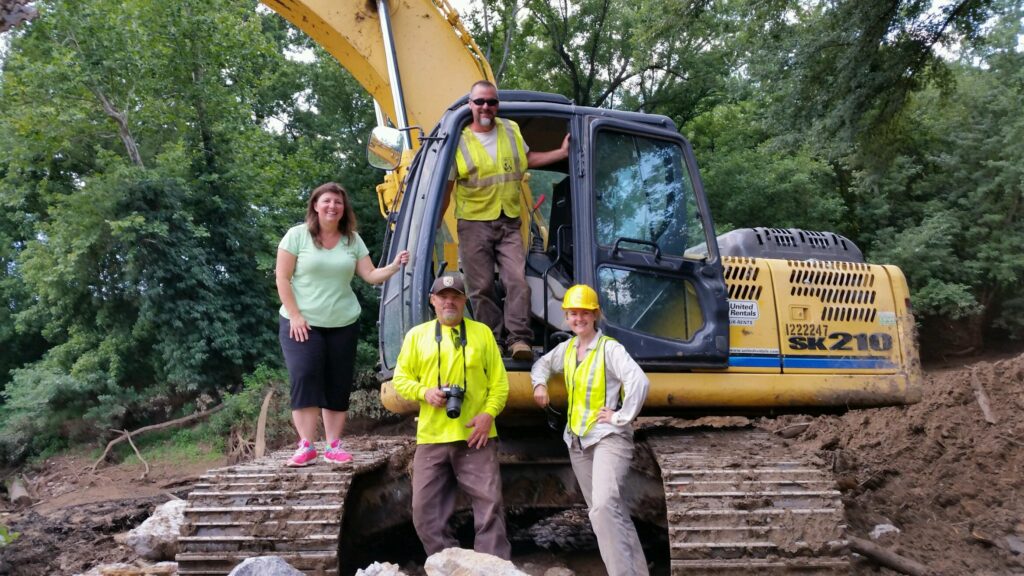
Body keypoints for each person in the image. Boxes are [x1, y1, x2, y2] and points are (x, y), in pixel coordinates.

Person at [276, 182, 409, 467]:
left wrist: (396, 265)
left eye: (338, 202)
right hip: (302, 323)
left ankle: (334, 446)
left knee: (337, 384)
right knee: (305, 375)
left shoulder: (352, 240)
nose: (332, 207)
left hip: (343, 323)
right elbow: (282, 278)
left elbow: (371, 275)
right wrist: (296, 315)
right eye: (327, 201)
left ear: (343, 209)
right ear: (315, 205)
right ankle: (306, 445)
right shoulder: (296, 236)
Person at [444, 80, 570, 361]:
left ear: (497, 105)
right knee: (481, 286)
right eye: (479, 102)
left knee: (517, 281)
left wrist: (560, 154)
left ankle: (518, 340)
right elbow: (447, 189)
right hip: (473, 223)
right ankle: (493, 340)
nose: (486, 107)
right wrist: (432, 228)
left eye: (491, 101)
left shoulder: (511, 130)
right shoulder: (459, 140)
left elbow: (529, 159)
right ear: (470, 105)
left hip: (509, 219)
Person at [531, 284, 650, 576]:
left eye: (584, 313)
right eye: (573, 313)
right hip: (578, 443)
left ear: (595, 315)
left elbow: (639, 382)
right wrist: (540, 383)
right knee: (610, 513)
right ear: (567, 317)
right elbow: (541, 365)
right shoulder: (568, 349)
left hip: (609, 438)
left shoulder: (609, 348)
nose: (578, 318)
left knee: (604, 506)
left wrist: (621, 416)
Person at [392, 273, 511, 559]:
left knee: (490, 508)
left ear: (464, 300)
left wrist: (488, 415)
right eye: (443, 297)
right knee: (424, 512)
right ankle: (450, 563)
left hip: (476, 436)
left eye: (456, 296)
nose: (449, 301)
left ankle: (492, 567)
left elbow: (500, 384)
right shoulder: (416, 336)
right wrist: (425, 392)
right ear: (433, 301)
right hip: (432, 437)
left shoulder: (481, 333)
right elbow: (400, 379)